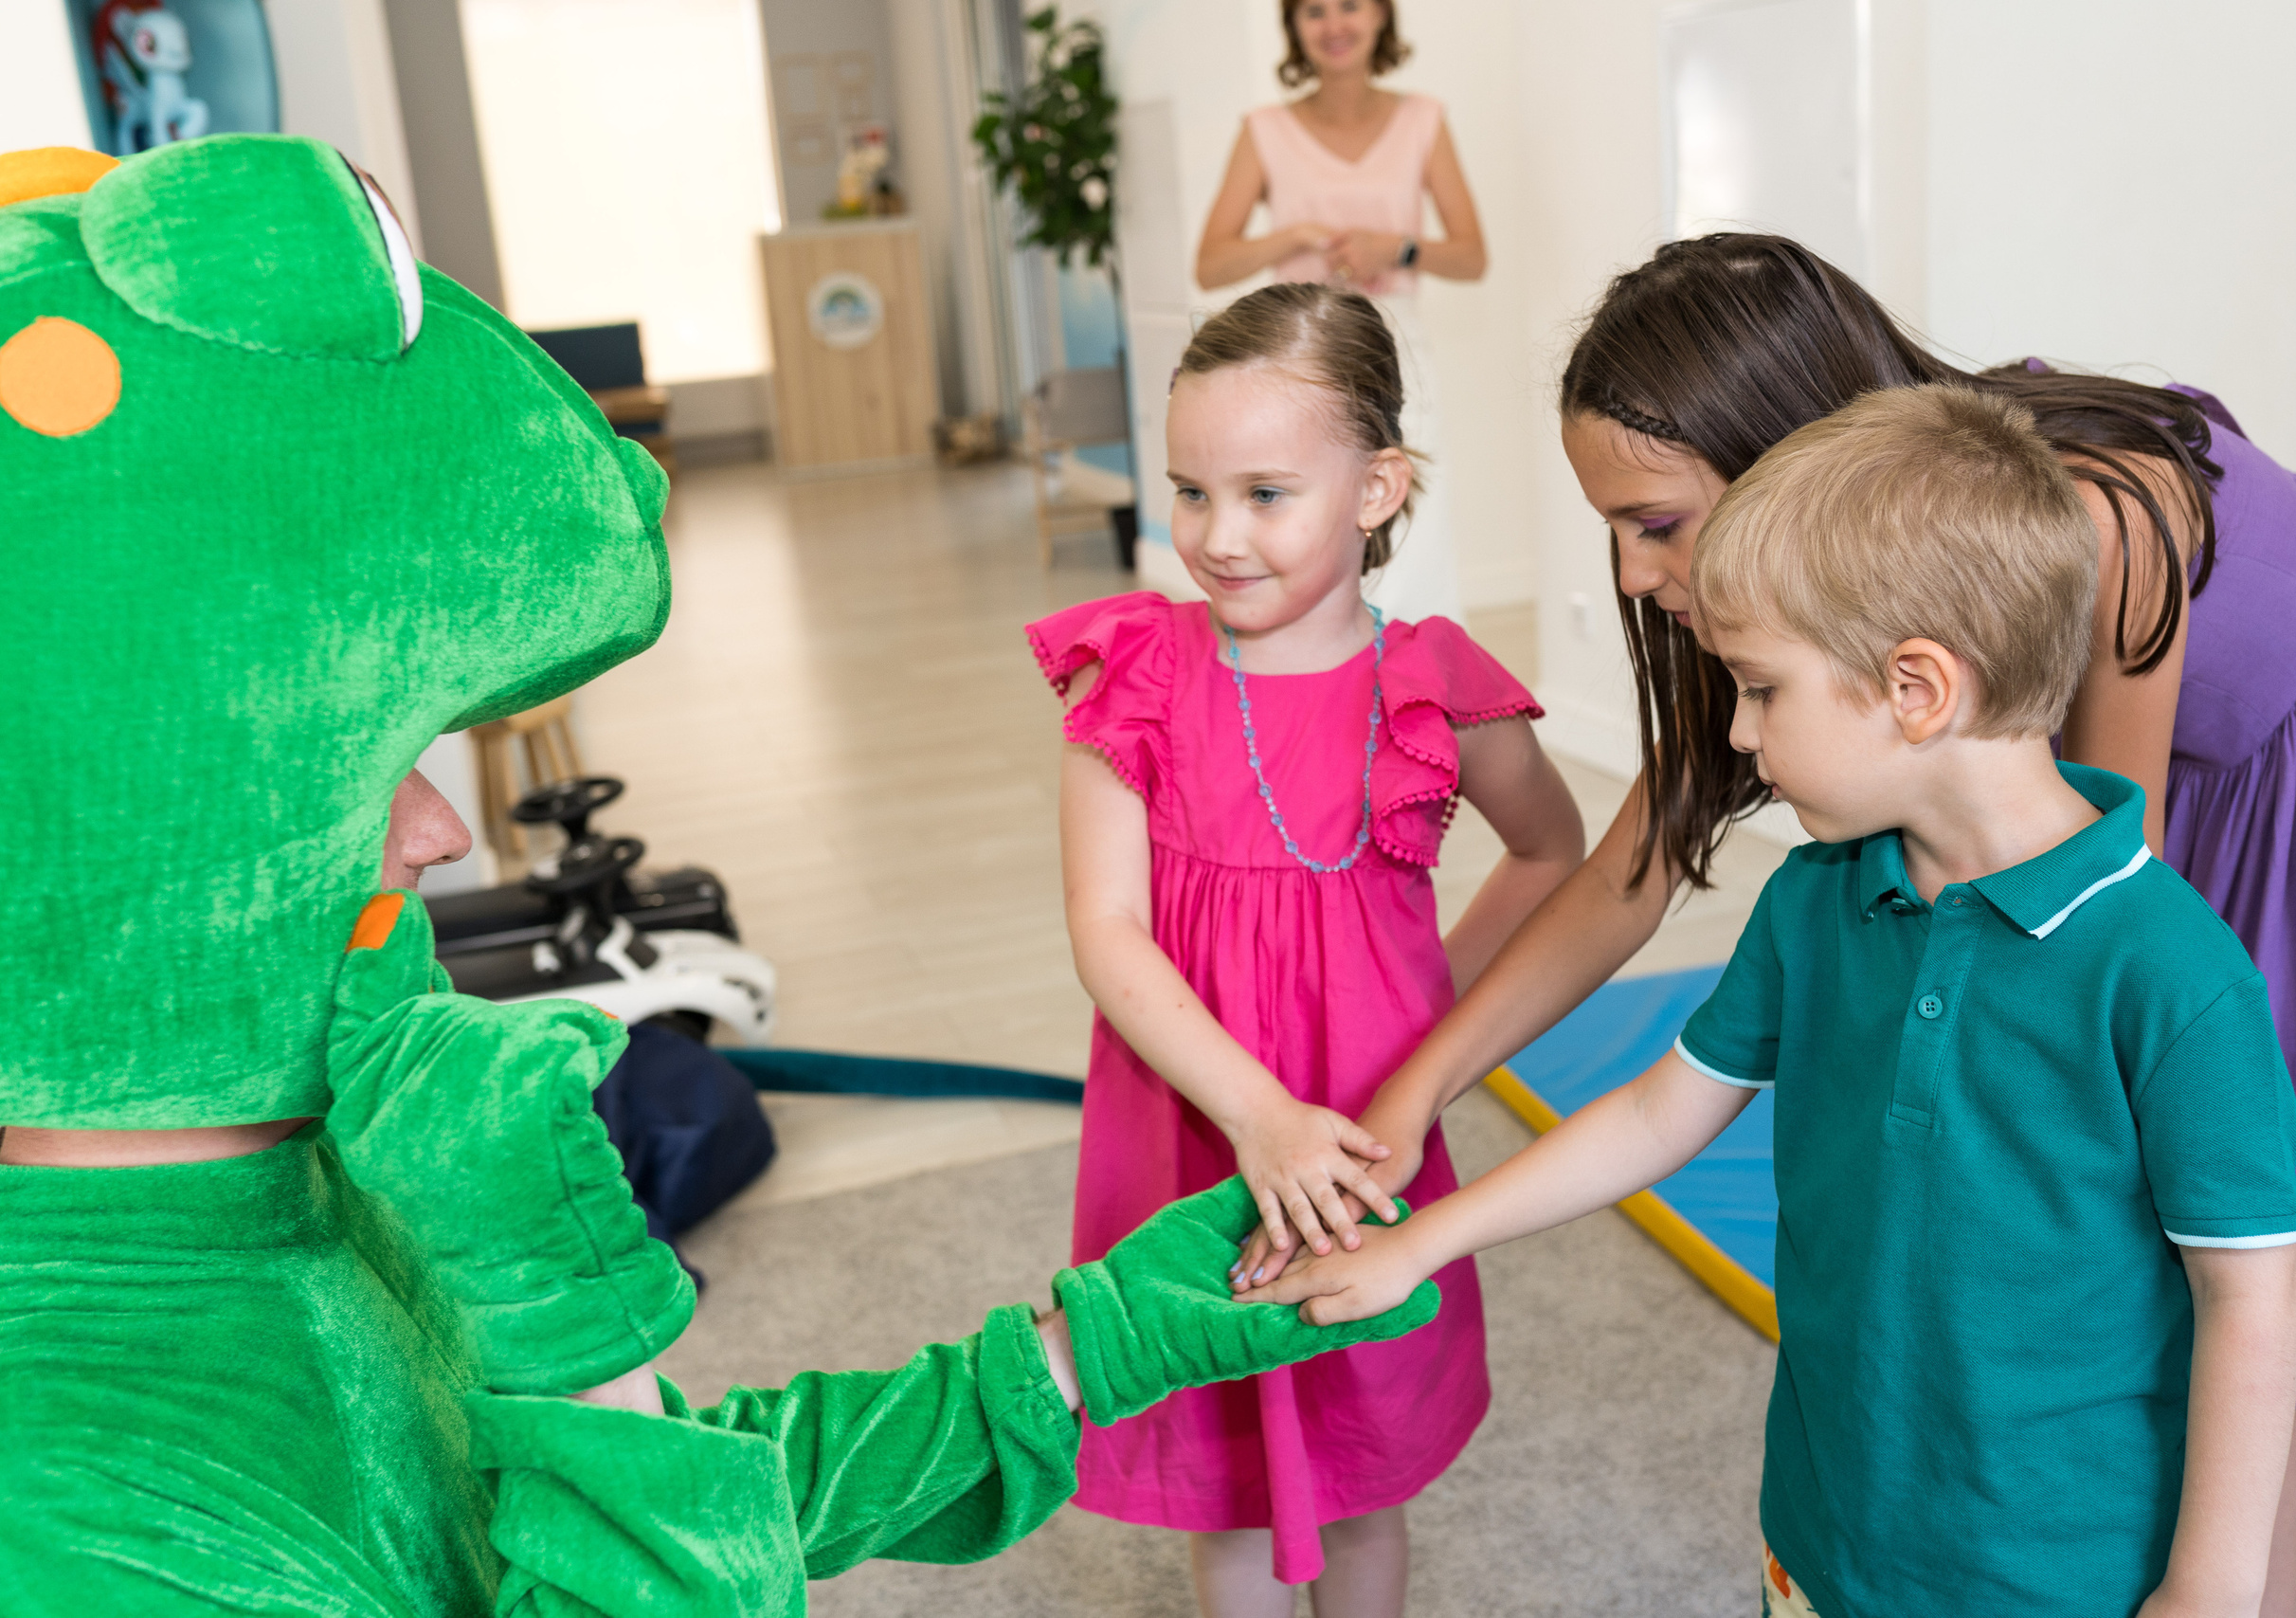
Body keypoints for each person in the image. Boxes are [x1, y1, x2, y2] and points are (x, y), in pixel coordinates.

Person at [0, 135, 1440, 1616]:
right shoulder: (75, 1510)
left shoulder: (320, 1202)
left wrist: (1092, 1345)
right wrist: (565, 1317)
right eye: (374, 776)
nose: (440, 832)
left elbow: (702, 1486)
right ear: (129, 841)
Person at [1239, 231, 2296, 1611]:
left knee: (2210, 1236)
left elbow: (2104, 895)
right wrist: (1417, 1088)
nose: (1632, 575)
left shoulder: (2090, 520)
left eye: (1656, 522)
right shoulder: (1836, 752)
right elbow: (1651, 856)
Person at [1028, 281, 1584, 1615]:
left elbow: (1555, 850)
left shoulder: (1439, 682)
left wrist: (1422, 997)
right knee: (1219, 1444)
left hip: (1359, 1128)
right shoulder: (1136, 676)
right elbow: (1107, 935)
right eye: (1193, 490)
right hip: (1197, 1123)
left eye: (1267, 492)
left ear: (1379, 487)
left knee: (1360, 1449)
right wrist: (1259, 1115)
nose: (1219, 537)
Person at [1194, 0, 1486, 627]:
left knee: (1413, 514)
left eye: (1350, 6)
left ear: (1382, 17)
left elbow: (1471, 256)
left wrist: (1397, 247)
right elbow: (1211, 263)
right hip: (1301, 348)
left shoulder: (1422, 120)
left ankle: (1415, 680)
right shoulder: (1264, 130)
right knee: (1309, 505)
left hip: (1397, 348)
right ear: (1294, 29)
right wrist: (1292, 236)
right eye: (1314, 12)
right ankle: (1321, 667)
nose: (1334, 26)